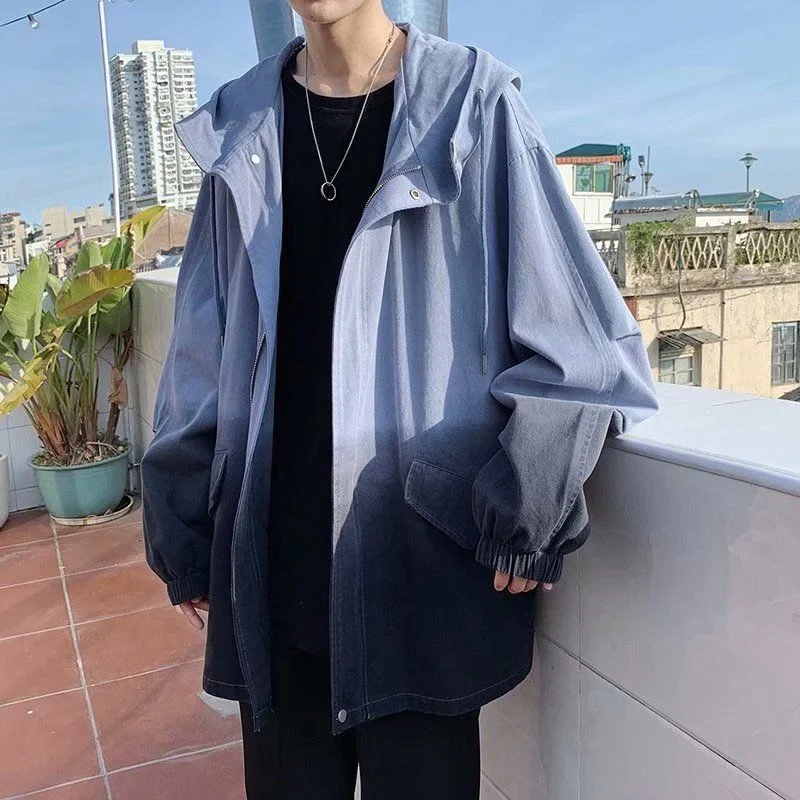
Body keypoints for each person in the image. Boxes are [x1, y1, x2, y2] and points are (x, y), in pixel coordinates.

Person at [141, 1, 659, 797]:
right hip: (270, 577)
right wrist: (183, 524)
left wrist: (529, 502)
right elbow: (199, 354)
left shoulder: (471, 107)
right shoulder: (239, 129)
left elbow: (587, 346)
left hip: (416, 577)